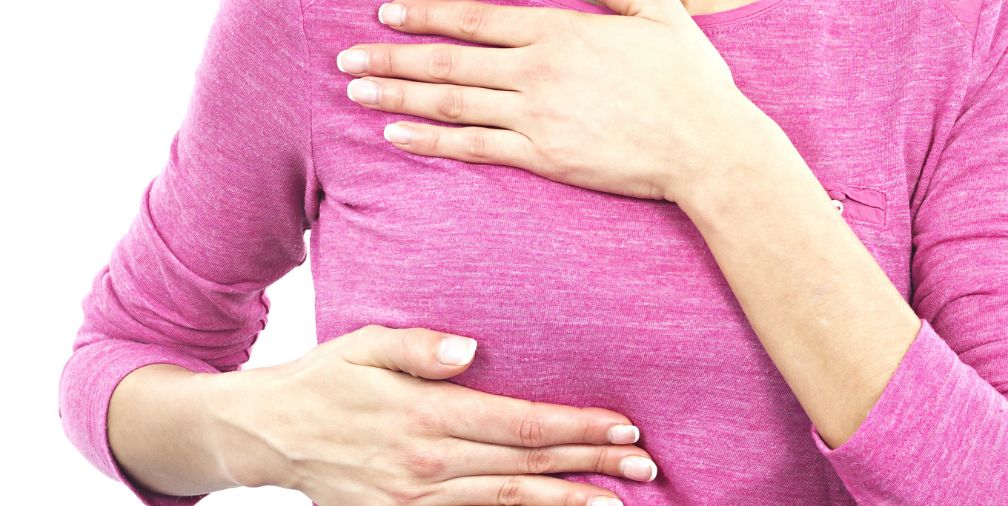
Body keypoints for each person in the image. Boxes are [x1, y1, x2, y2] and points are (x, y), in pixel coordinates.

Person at [58, 0, 1008, 504]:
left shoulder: (951, 28)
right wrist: (260, 433)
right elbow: (122, 354)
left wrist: (722, 159)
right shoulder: (335, 17)